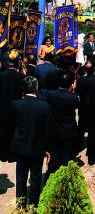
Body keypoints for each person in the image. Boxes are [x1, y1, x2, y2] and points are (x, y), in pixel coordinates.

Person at [11, 76, 51, 208]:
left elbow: (11, 126)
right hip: (37, 147)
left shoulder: (16, 104)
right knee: (35, 178)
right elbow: (46, 131)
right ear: (36, 88)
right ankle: (33, 205)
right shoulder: (44, 107)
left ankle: (20, 206)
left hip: (20, 146)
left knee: (21, 178)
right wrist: (47, 149)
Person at [45, 70, 79, 180]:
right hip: (68, 131)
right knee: (66, 158)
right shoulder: (73, 97)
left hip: (53, 131)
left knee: (53, 159)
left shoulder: (49, 94)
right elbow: (76, 105)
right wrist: (72, 91)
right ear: (71, 84)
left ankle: (49, 180)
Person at [0, 50, 24, 161]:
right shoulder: (20, 77)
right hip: (15, 108)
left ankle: (3, 154)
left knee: (3, 131)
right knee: (13, 131)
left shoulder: (1, 76)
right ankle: (12, 155)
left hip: (2, 107)